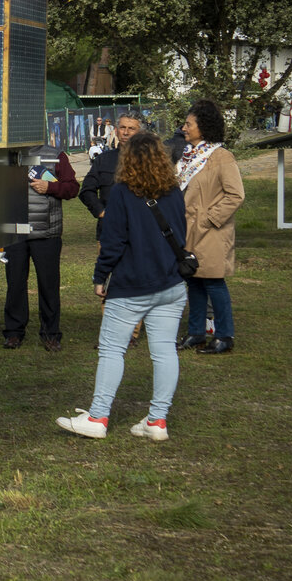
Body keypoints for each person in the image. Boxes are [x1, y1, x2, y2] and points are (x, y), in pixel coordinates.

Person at [58, 130, 189, 441]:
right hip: (171, 282)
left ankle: (98, 416)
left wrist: (100, 277)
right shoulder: (174, 191)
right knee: (164, 350)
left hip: (132, 286)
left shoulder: (120, 193)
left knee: (112, 350)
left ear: (127, 160)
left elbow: (113, 242)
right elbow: (181, 234)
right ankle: (157, 421)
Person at [177, 98, 246, 355]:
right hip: (188, 231)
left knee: (215, 283)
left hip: (212, 232)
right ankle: (196, 333)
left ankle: (224, 335)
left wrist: (209, 219)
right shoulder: (187, 157)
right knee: (194, 281)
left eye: (188, 124)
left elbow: (235, 195)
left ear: (202, 127)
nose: (184, 127)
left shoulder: (220, 156)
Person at [4, 139, 79, 350]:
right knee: (15, 284)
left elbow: (72, 188)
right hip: (15, 232)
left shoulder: (56, 155)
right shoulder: (6, 153)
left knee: (48, 286)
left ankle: (51, 333)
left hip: (47, 233)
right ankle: (14, 332)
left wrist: (51, 187)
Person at [79, 108, 145, 234]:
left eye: (131, 129)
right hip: (109, 230)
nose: (126, 132)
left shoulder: (151, 160)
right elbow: (86, 190)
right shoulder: (103, 159)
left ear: (141, 132)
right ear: (116, 130)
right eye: (122, 127)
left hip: (141, 230)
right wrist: (100, 211)